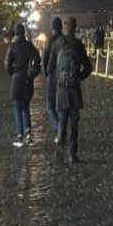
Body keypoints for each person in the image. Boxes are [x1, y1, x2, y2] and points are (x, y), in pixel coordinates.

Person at [48, 16, 94, 162]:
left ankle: (59, 154)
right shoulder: (78, 45)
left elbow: (50, 68)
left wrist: (57, 81)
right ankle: (73, 154)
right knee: (74, 123)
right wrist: (78, 77)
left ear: (65, 26)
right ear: (75, 27)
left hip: (61, 89)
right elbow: (88, 68)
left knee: (62, 121)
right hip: (74, 88)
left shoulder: (57, 44)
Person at [5, 23, 41, 146]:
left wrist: (12, 72)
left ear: (15, 33)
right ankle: (28, 134)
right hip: (27, 80)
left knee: (17, 108)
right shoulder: (29, 46)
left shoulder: (13, 47)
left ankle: (20, 135)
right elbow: (37, 59)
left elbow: (7, 65)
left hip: (16, 79)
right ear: (24, 33)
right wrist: (32, 73)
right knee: (26, 108)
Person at [43, 17, 64, 132]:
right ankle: (62, 128)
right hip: (64, 76)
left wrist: (46, 74)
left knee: (51, 105)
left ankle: (58, 129)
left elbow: (45, 58)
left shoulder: (50, 41)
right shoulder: (65, 40)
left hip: (53, 77)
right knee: (61, 106)